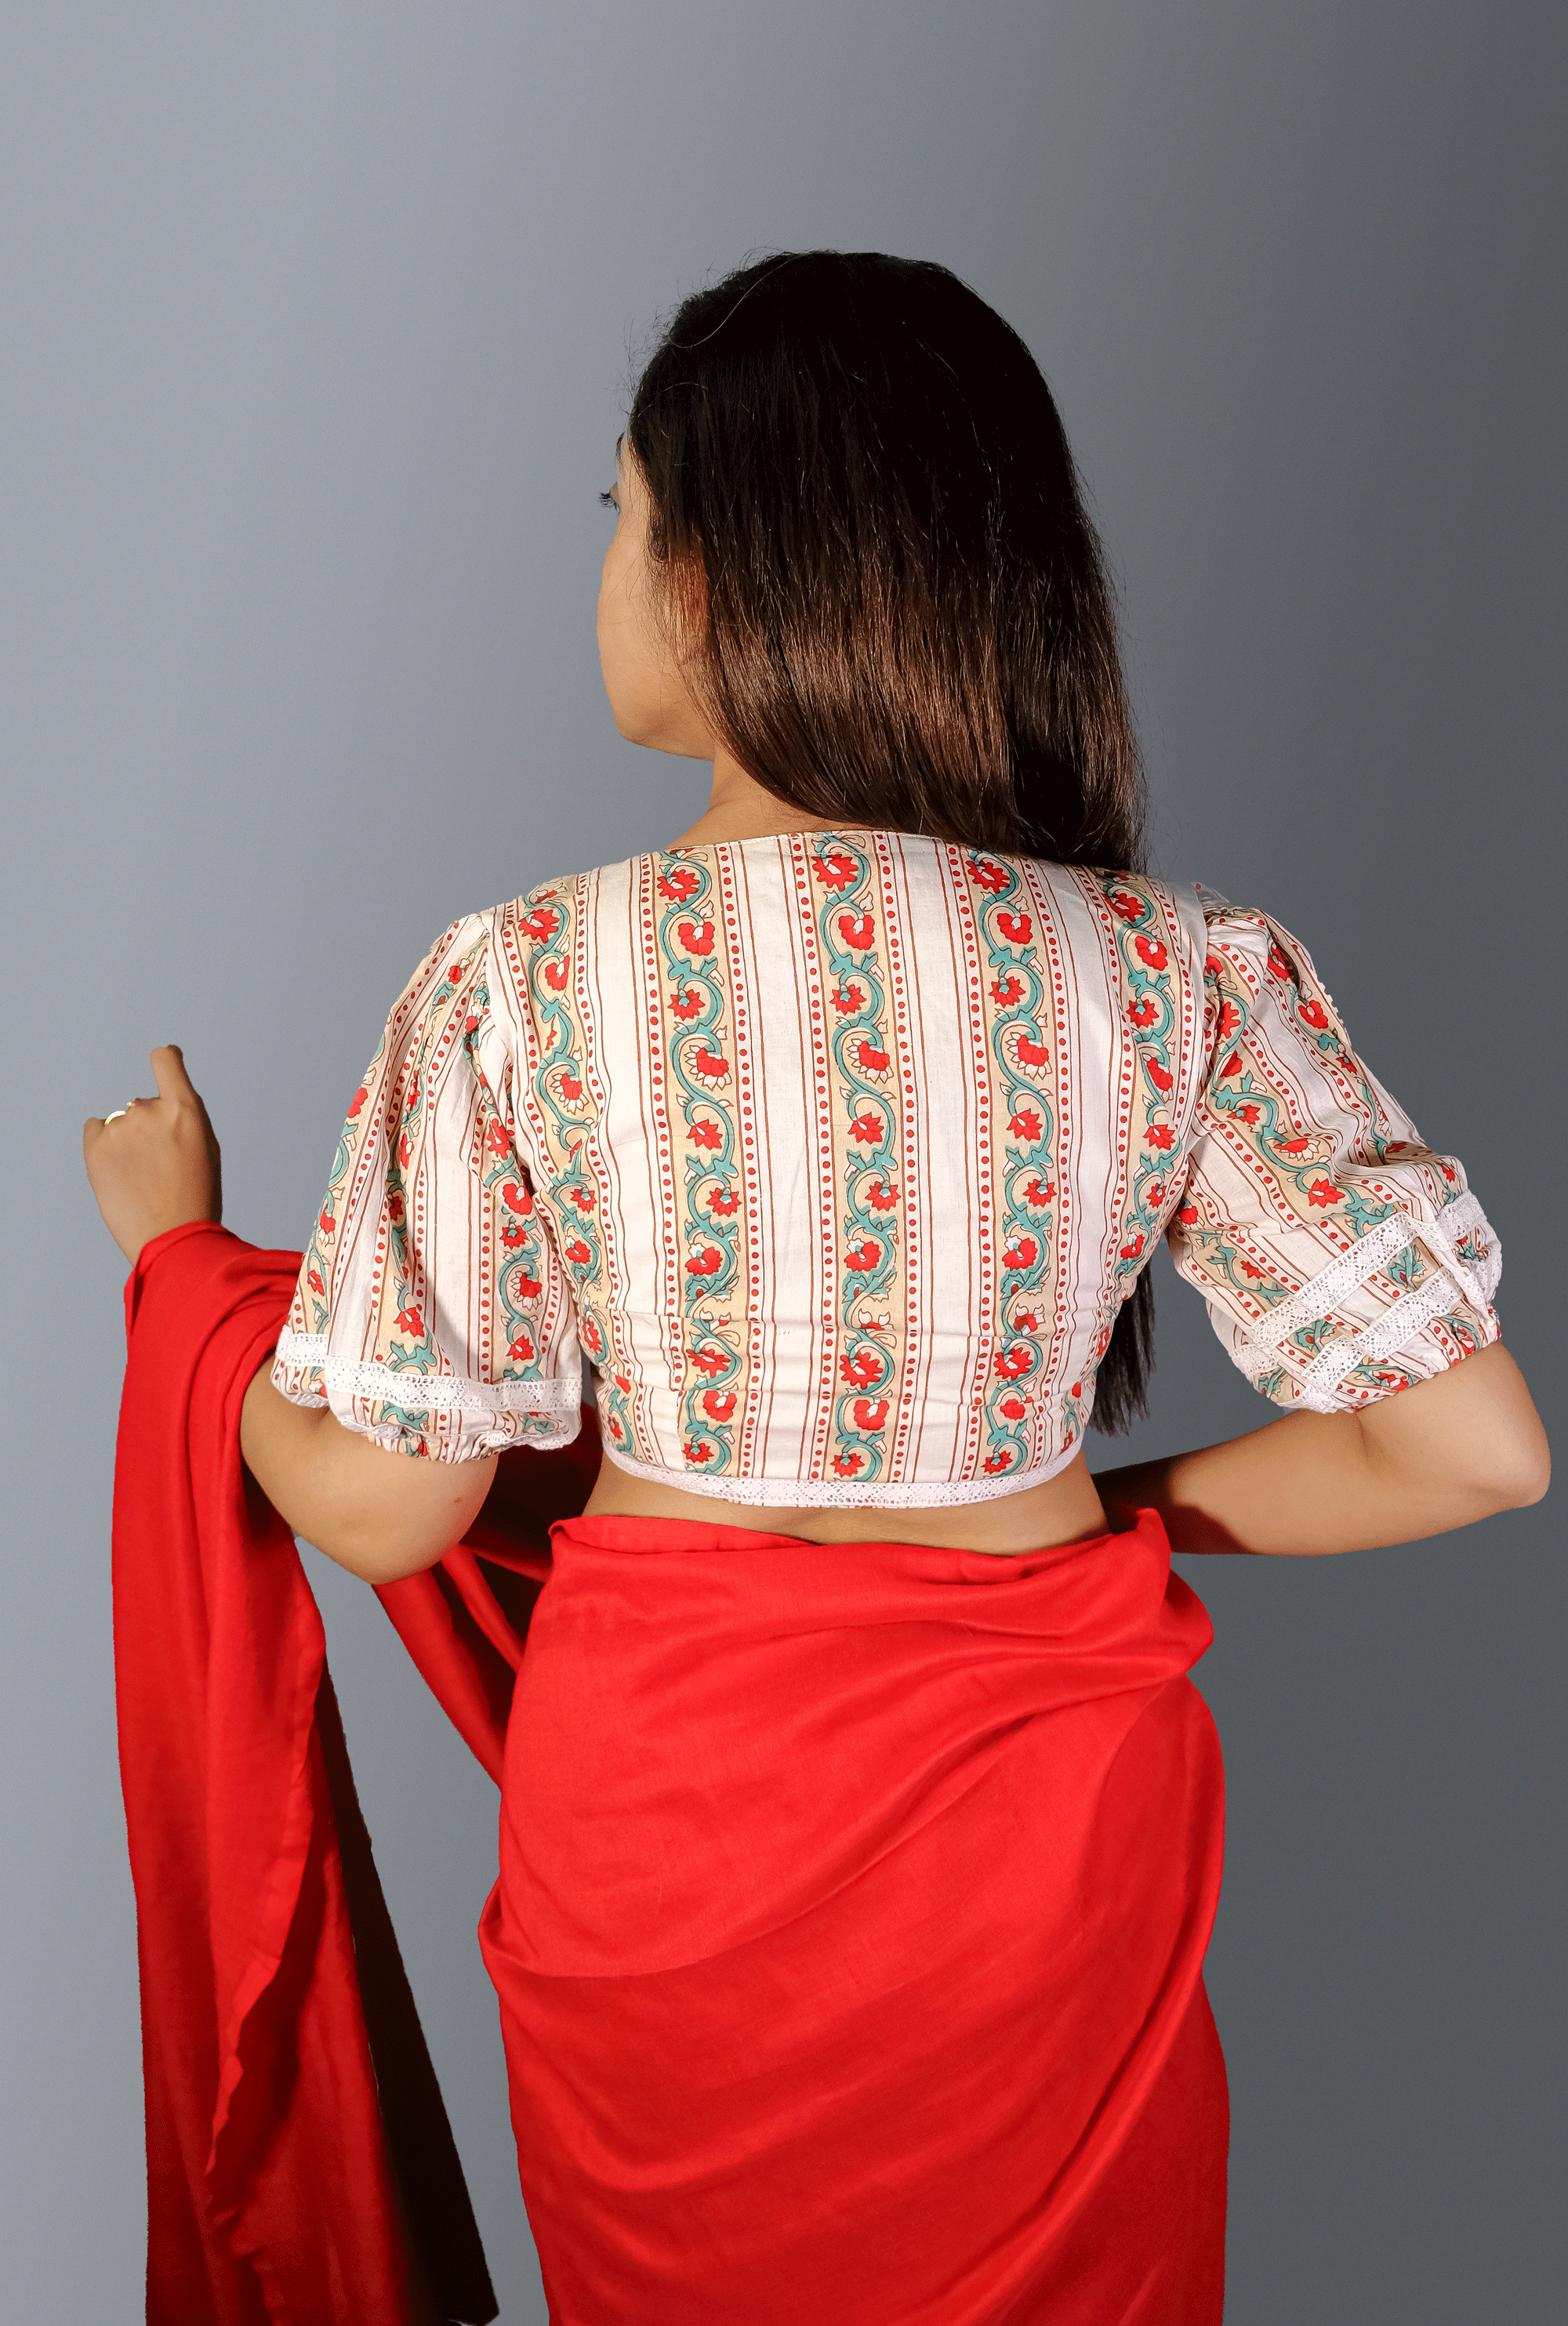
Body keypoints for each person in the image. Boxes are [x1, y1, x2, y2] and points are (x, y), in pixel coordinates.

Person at [86, 252, 1548, 2324]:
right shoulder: (1184, 968)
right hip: (1051, 1850)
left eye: (620, 512)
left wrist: (182, 1279)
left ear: (713, 570)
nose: (604, 561)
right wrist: (1045, 1540)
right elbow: (1469, 1448)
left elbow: (393, 1499)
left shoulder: (521, 980)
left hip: (674, 1820)